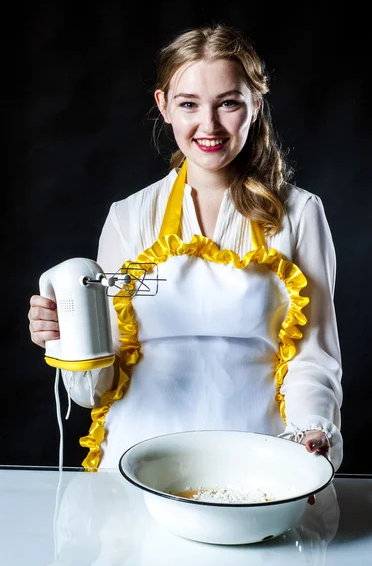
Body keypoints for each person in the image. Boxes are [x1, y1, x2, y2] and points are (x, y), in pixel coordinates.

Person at [28, 23, 343, 473]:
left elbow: (313, 355)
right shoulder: (129, 217)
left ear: (256, 102)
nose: (208, 125)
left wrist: (313, 430)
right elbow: (95, 390)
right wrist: (69, 339)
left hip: (257, 463)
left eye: (229, 103)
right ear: (164, 106)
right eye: (189, 104)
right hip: (137, 462)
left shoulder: (299, 213)